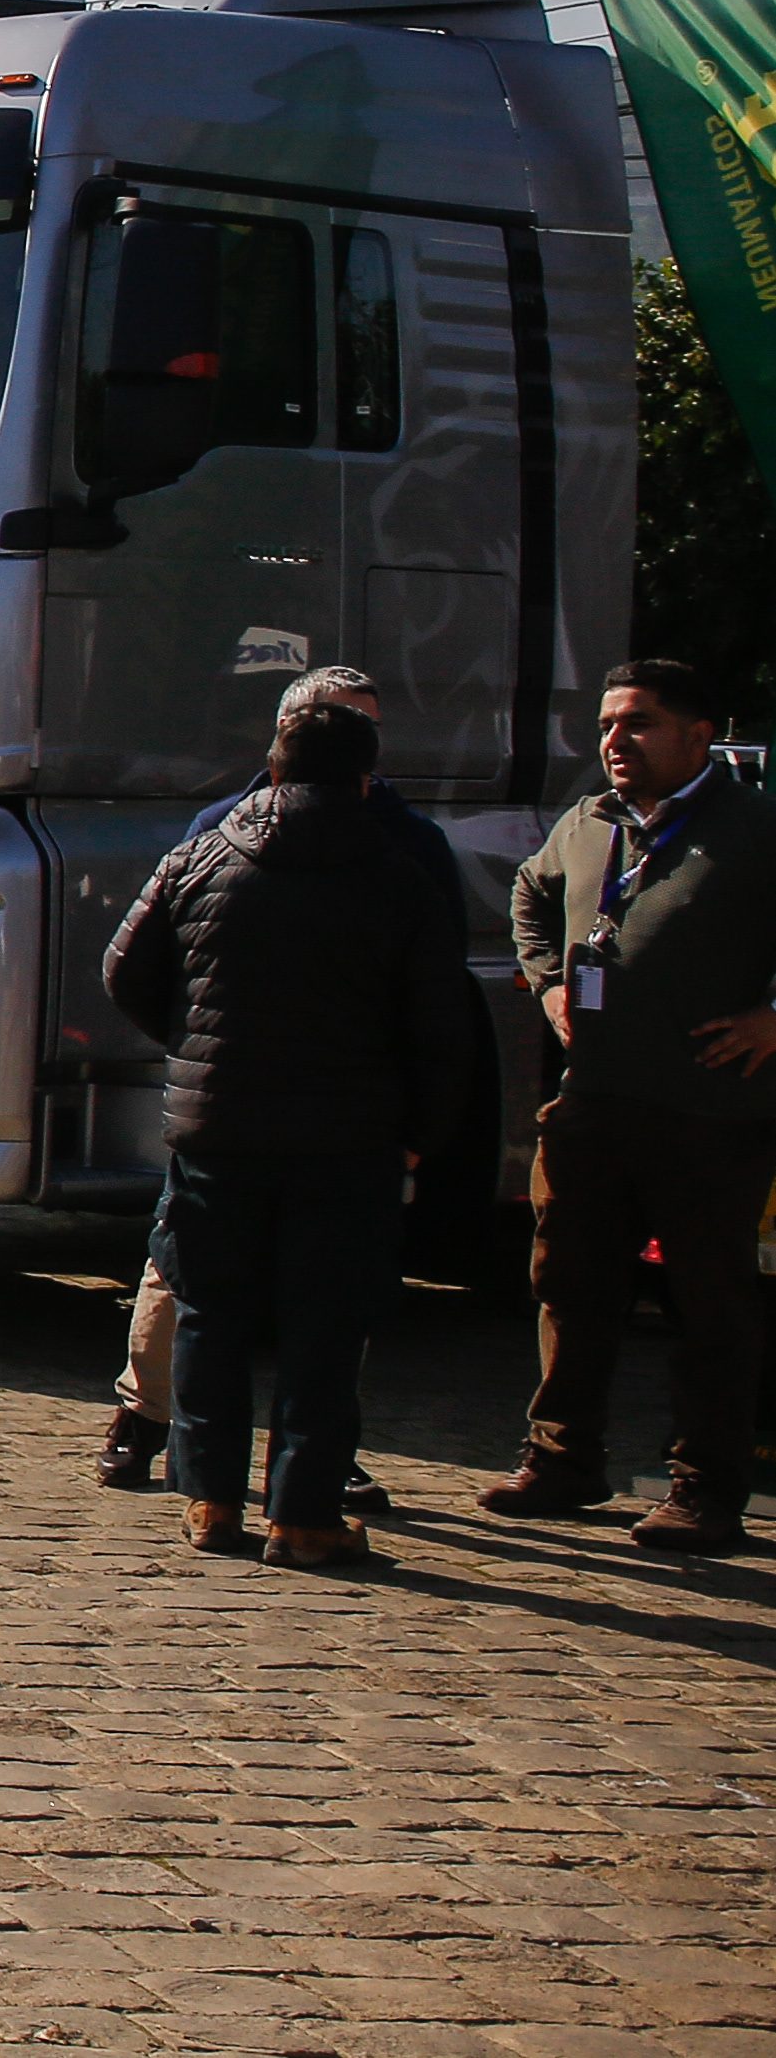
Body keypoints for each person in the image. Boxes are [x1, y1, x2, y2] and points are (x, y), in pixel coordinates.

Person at [100, 695, 486, 1566]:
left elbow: (123, 969)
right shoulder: (400, 874)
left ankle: (208, 1503)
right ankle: (303, 1515)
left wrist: (196, 1044)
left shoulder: (199, 856)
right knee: (324, 1328)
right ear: (363, 778)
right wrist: (423, 1130)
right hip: (348, 1139)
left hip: (218, 1127)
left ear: (272, 767)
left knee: (208, 1317)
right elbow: (441, 1024)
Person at [484, 658, 776, 1555]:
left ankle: (705, 1484)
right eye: (608, 724)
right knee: (568, 1284)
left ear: (697, 735)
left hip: (707, 1110)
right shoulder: (590, 819)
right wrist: (544, 986)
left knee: (709, 1302)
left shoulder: (753, 825)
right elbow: (529, 895)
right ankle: (562, 1458)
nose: (615, 741)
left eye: (638, 723)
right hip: (592, 1104)